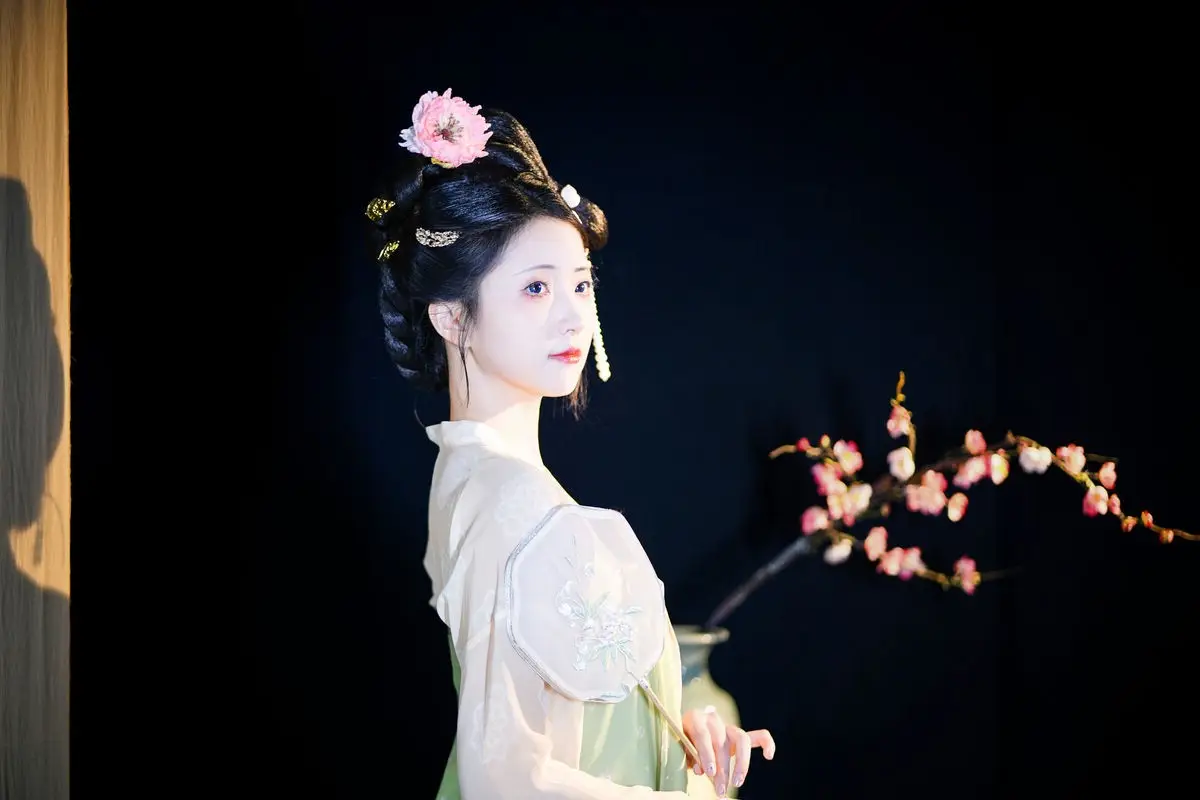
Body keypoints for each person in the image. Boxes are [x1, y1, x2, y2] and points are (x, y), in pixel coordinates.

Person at [367, 89, 776, 799]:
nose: (573, 317)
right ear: (451, 317)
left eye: (581, 286)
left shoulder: (471, 472)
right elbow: (502, 777)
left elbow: (563, 708)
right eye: (535, 288)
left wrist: (674, 737)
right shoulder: (508, 496)